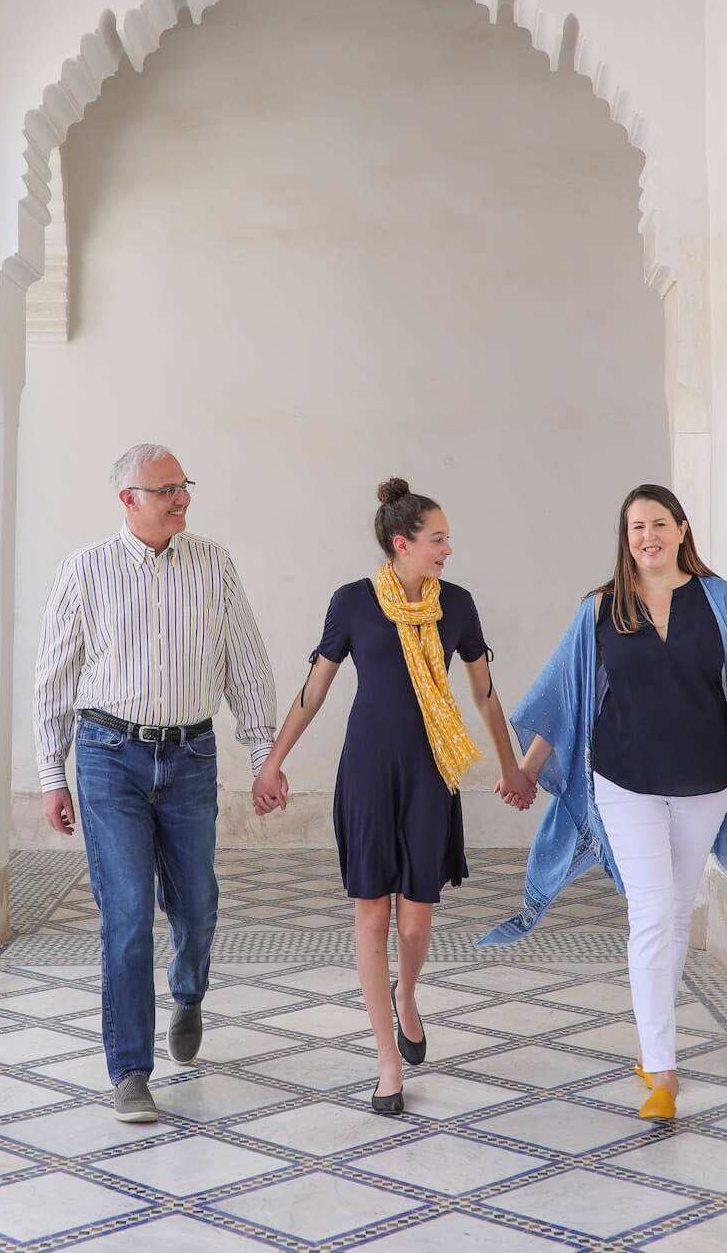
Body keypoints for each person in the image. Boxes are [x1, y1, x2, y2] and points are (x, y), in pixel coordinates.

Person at [481, 483, 727, 1121]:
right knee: (650, 909)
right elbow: (564, 696)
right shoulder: (600, 609)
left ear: (680, 529)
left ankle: (654, 1042)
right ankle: (663, 1071)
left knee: (675, 912)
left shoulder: (717, 599)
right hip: (624, 782)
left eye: (657, 524)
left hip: (707, 784)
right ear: (626, 539)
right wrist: (528, 771)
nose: (646, 536)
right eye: (634, 528)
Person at [252, 478, 530, 1115]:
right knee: (373, 916)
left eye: (447, 539)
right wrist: (272, 763)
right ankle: (385, 1063)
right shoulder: (352, 602)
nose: (447, 549)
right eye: (438, 539)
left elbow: (485, 694)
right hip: (369, 773)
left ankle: (408, 996)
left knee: (415, 919)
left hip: (432, 771)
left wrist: (511, 768)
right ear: (402, 544)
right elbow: (314, 691)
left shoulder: (456, 605)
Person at [33, 443, 277, 1124]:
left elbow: (246, 665)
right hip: (109, 757)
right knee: (128, 914)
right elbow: (53, 680)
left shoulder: (214, 564)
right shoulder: (83, 572)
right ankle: (130, 1071)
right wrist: (52, 774)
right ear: (128, 500)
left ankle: (190, 992)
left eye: (184, 486)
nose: (182, 500)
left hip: (191, 757)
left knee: (196, 904)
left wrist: (264, 756)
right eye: (166, 489)